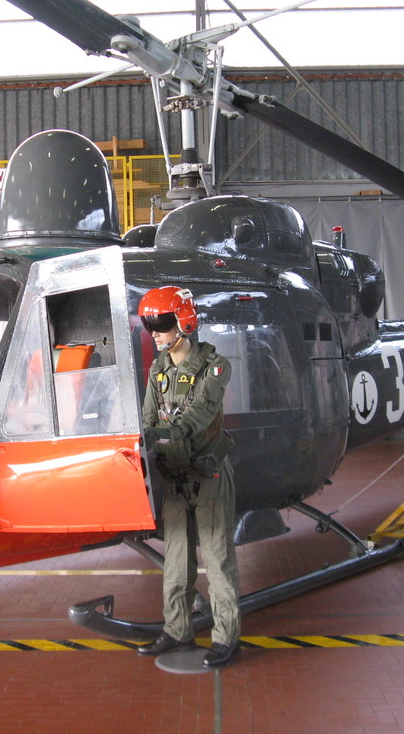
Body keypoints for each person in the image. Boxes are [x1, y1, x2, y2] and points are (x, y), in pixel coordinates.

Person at [135, 286, 241, 669]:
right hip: (176, 479)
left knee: (218, 560)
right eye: (150, 325)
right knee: (177, 563)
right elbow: (148, 417)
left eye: (162, 323)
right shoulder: (158, 370)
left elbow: (197, 417)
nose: (155, 333)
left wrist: (161, 434)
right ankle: (177, 630)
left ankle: (226, 638)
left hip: (208, 475)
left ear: (184, 322)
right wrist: (143, 436)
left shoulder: (215, 366)